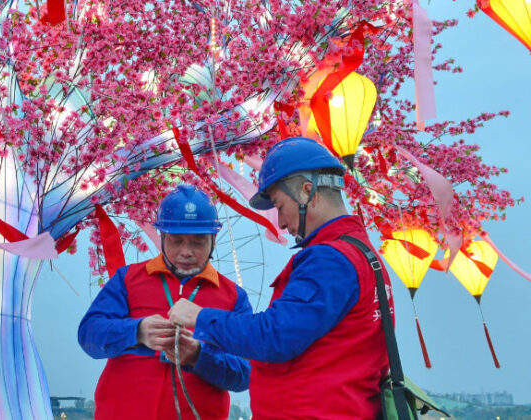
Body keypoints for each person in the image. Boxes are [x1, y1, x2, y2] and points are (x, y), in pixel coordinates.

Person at [169, 137, 394, 420]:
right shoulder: (360, 253)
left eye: (279, 206)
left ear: (306, 191)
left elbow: (275, 336)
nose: (282, 223)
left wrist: (200, 317)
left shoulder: (329, 260)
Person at [78, 185, 252, 420]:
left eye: (198, 242)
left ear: (213, 240)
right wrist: (137, 331)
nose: (186, 252)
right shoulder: (127, 279)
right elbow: (88, 335)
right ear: (162, 237)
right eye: (176, 241)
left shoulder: (233, 297)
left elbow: (245, 374)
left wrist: (199, 356)